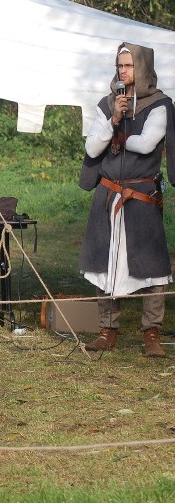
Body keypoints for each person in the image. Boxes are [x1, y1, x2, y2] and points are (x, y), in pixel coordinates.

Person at [79, 42, 174, 358]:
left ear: (142, 67)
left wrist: (119, 138)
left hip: (141, 196)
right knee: (104, 265)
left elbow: (148, 144)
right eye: (119, 65)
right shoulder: (108, 104)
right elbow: (93, 149)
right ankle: (107, 332)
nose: (122, 71)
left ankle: (152, 335)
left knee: (153, 269)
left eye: (129, 65)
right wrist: (113, 122)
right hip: (108, 196)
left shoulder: (159, 104)